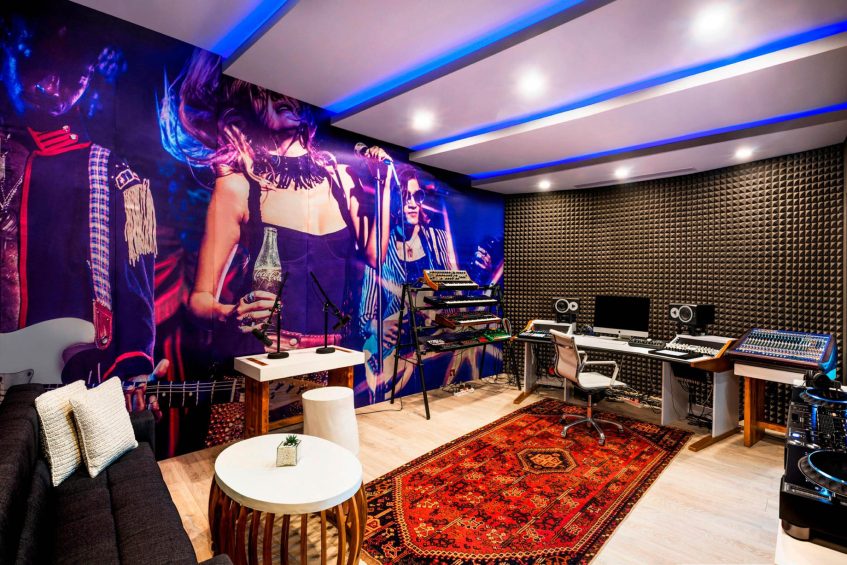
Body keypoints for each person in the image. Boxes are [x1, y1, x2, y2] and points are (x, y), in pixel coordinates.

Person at [160, 51, 391, 362]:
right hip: (265, 357)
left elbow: (375, 256)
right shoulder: (238, 186)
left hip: (336, 357)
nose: (284, 98)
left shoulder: (342, 178)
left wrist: (384, 184)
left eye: (292, 93)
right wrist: (231, 314)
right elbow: (199, 300)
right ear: (248, 105)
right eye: (266, 92)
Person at [0, 15, 166, 401]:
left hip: (67, 374)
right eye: (40, 65)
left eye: (74, 77)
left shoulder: (110, 171)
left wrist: (133, 368)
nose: (52, 88)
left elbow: (133, 286)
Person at [359, 167, 457, 402]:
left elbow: (452, 296)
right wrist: (377, 327)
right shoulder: (382, 249)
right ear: (393, 202)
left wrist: (443, 310)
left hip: (431, 341)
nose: (413, 204)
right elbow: (365, 315)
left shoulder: (438, 240)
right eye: (405, 198)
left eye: (417, 196)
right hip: (395, 348)